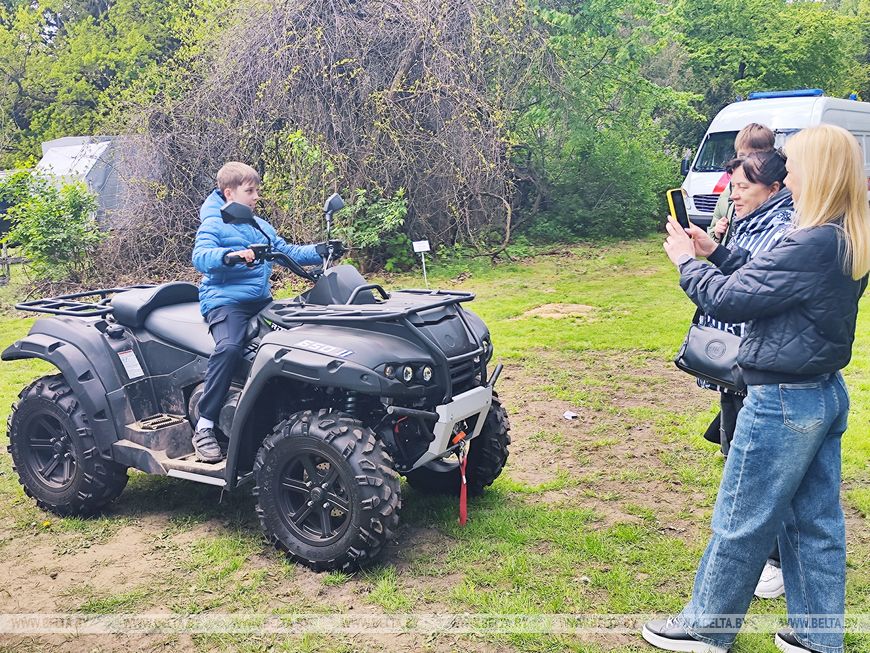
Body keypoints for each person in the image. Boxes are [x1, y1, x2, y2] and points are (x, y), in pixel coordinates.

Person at [643, 123, 869, 653]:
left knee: (741, 519)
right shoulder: (845, 235)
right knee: (815, 524)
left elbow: (730, 301)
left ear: (818, 172)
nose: (786, 173)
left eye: (794, 165)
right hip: (821, 394)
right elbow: (772, 283)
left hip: (782, 403)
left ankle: (706, 627)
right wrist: (717, 253)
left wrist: (685, 262)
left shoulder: (810, 241)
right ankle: (817, 637)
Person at [697, 151, 795, 599]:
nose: (733, 195)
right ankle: (767, 555)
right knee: (739, 453)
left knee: (763, 466)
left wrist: (692, 265)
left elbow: (745, 292)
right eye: (732, 186)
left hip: (766, 365)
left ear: (775, 188)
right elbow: (745, 272)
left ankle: (774, 560)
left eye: (743, 187)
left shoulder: (784, 229)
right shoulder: (753, 220)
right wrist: (715, 248)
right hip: (742, 359)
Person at [191, 162, 327, 462]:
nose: (256, 197)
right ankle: (205, 425)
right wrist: (229, 255)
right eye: (250, 191)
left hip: (261, 301)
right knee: (229, 348)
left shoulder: (259, 225)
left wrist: (320, 250)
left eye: (256, 191)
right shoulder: (213, 224)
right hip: (226, 303)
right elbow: (200, 256)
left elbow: (286, 252)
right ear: (229, 193)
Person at [707, 123, 776, 244]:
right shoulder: (728, 192)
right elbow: (712, 234)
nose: (746, 162)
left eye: (754, 156)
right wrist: (717, 233)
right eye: (742, 156)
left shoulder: (773, 192)